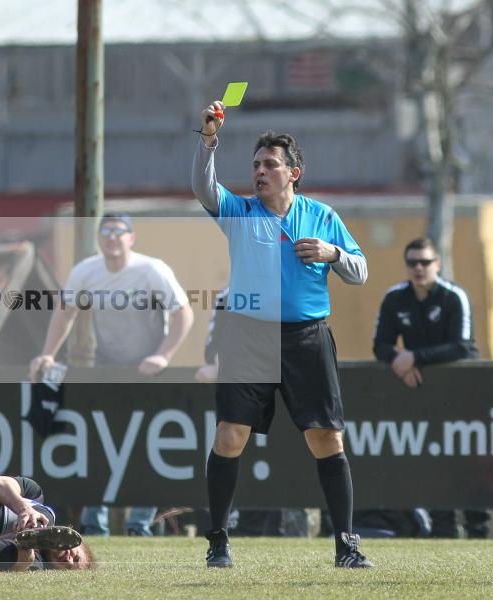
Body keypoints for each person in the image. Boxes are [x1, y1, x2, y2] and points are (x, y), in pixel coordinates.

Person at [191, 101, 373, 568]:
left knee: (326, 440)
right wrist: (209, 139)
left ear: (293, 174)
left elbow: (360, 271)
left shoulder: (321, 216)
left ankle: (346, 547)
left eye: (270, 164)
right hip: (248, 336)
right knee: (231, 436)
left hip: (307, 337)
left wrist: (333, 253)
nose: (260, 171)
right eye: (255, 164)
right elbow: (202, 187)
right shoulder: (239, 211)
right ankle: (218, 542)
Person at [29, 214, 194, 537]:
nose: (112, 237)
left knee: (148, 446)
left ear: (131, 238)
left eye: (120, 232)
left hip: (147, 372)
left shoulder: (152, 269)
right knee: (102, 444)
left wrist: (162, 355)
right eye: (106, 231)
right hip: (106, 368)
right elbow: (65, 313)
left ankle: (139, 524)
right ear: (99, 239)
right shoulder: (86, 271)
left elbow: (183, 313)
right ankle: (95, 522)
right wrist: (48, 352)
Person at [373, 237, 487, 538]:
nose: (419, 268)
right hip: (424, 395)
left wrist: (415, 358)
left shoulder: (454, 296)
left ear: (437, 263)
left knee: (468, 463)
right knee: (433, 461)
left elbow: (462, 347)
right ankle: (443, 529)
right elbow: (380, 345)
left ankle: (478, 530)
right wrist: (400, 360)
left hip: (463, 396)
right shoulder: (395, 298)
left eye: (425, 262)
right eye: (412, 262)